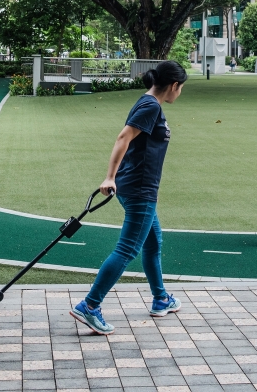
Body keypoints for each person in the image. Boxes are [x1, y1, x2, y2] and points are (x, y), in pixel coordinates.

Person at [70, 60, 188, 335]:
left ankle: (161, 298)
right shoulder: (150, 106)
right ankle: (89, 305)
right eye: (181, 88)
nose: (179, 93)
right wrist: (109, 176)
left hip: (139, 186)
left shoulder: (149, 103)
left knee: (153, 241)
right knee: (127, 249)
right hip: (139, 188)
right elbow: (123, 138)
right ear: (174, 86)